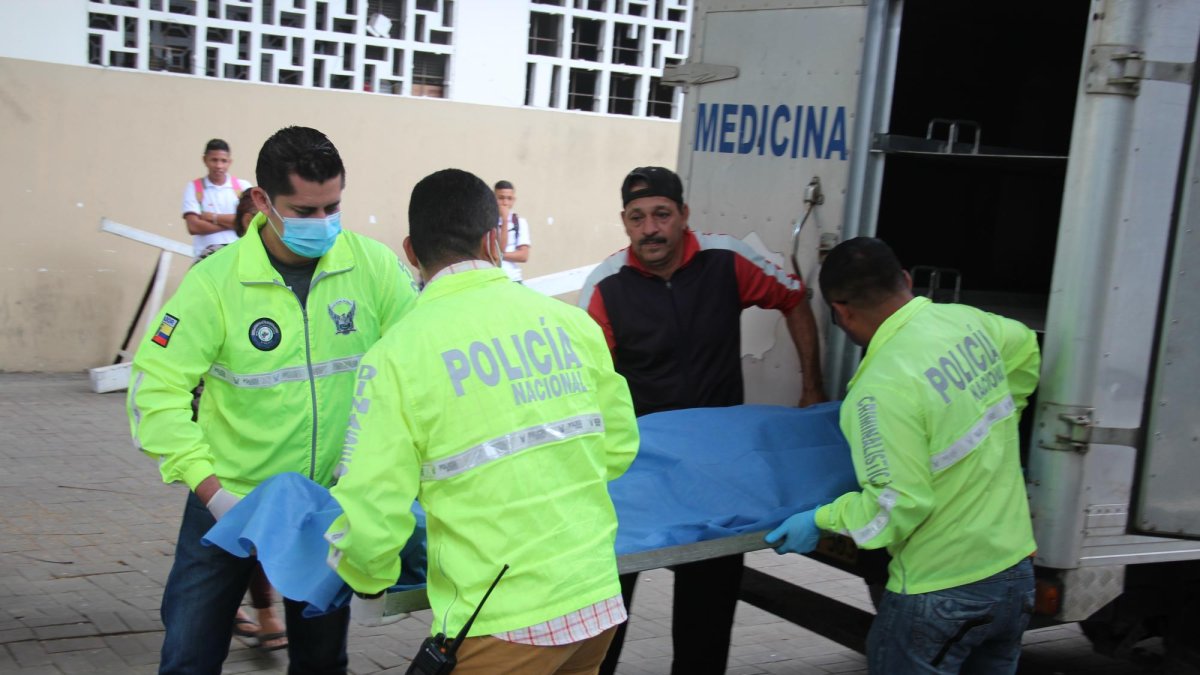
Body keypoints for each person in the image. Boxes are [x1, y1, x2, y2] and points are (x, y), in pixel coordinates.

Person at [128, 125, 419, 675]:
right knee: (189, 654)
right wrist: (211, 491)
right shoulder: (215, 283)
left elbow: (418, 362)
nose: (323, 223)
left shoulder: (372, 267)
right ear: (262, 201)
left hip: (326, 506)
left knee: (322, 662)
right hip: (230, 501)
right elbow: (155, 391)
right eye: (304, 211)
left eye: (333, 207)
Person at [325, 169, 639, 674]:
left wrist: (368, 582)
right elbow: (618, 448)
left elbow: (371, 511)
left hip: (501, 620)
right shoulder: (572, 325)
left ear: (410, 251)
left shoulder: (397, 355)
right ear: (495, 240)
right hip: (595, 599)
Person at [577, 166, 827, 675]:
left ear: (684, 215)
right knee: (606, 614)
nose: (650, 229)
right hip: (638, 474)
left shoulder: (726, 259)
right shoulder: (605, 287)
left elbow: (792, 297)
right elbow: (586, 386)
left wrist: (811, 387)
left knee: (706, 619)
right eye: (637, 218)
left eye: (662, 215)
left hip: (717, 474)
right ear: (624, 222)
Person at [766, 237, 1040, 674]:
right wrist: (1003, 419)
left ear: (841, 311)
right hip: (1014, 573)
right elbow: (1025, 346)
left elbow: (896, 506)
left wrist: (820, 520)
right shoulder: (969, 322)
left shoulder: (879, 388)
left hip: (941, 589)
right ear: (907, 280)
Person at [187, 189, 288, 652]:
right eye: (249, 216)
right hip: (222, 447)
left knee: (259, 538)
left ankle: (261, 611)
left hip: (280, 442)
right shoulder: (214, 267)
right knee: (229, 536)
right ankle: (240, 609)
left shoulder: (292, 274)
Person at [182, 138, 253, 258]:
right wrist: (235, 224)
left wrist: (212, 217)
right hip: (205, 258)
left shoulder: (243, 186)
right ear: (205, 160)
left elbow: (250, 221)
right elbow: (193, 227)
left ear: (230, 162)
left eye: (223, 161)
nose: (219, 166)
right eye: (214, 160)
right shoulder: (194, 187)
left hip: (237, 256)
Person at [494, 179, 531, 282]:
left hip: (513, 279)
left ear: (514, 200)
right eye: (501, 198)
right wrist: (505, 220)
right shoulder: (488, 222)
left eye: (509, 198)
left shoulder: (519, 222)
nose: (505, 203)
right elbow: (500, 248)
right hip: (494, 279)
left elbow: (524, 256)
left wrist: (498, 256)